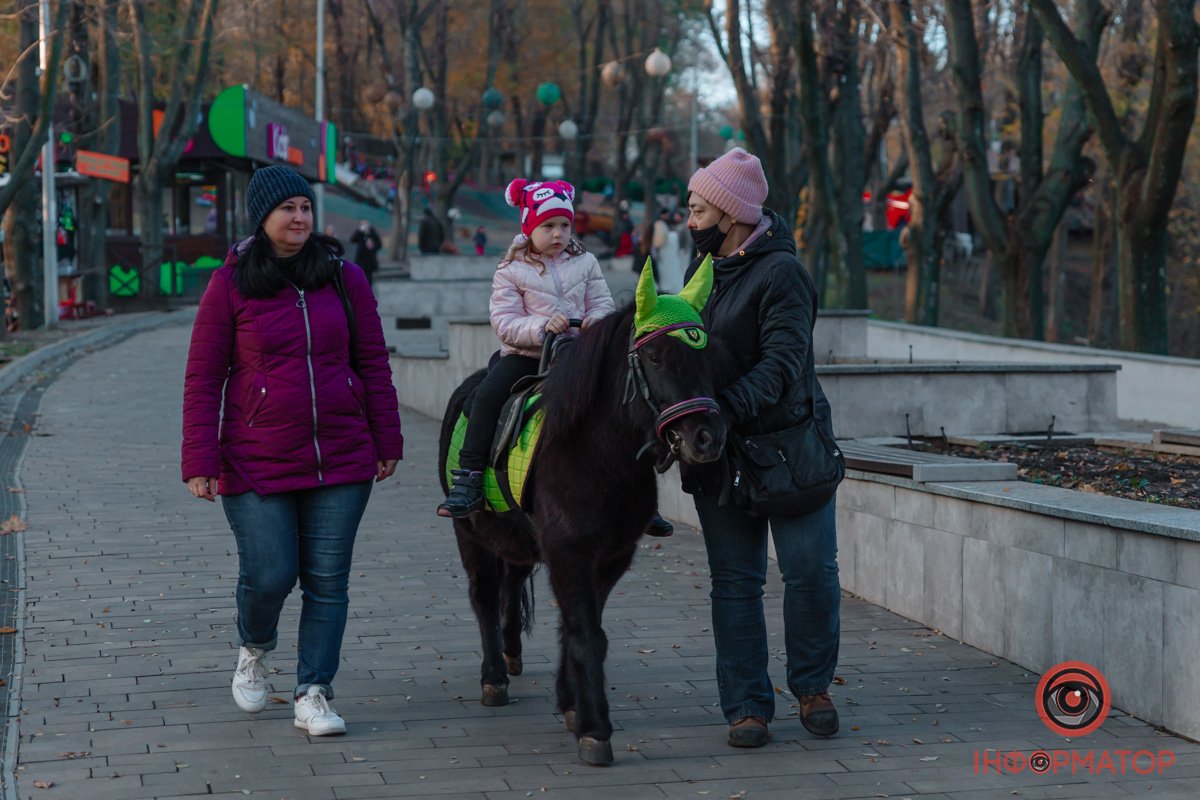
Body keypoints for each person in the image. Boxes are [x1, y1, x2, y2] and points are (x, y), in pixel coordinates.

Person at [181, 164, 404, 737]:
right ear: (263, 218)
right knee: (271, 573)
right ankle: (254, 647)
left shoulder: (344, 277)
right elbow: (204, 377)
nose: (300, 217)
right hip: (255, 458)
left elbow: (372, 363)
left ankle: (313, 691)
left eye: (305, 207)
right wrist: (199, 460)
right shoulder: (230, 283)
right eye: (288, 209)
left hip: (342, 456)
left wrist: (387, 438)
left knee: (328, 580)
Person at [681, 147, 841, 747]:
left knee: (809, 575)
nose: (690, 220)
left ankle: (812, 687)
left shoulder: (782, 275)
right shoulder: (700, 276)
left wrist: (722, 410)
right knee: (736, 582)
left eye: (698, 209)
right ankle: (747, 705)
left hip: (789, 452)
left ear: (733, 212)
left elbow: (782, 364)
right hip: (721, 457)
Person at [437, 178, 615, 518]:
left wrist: (597, 322)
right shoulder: (511, 270)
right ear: (529, 227)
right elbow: (504, 322)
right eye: (548, 226)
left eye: (564, 225)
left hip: (579, 355)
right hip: (528, 356)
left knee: (625, 391)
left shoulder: (586, 262)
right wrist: (541, 327)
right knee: (487, 396)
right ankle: (470, 479)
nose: (558, 234)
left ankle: (635, 490)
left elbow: (601, 303)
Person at [349, 219, 382, 286]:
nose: (364, 226)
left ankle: (369, 290)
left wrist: (373, 246)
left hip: (370, 259)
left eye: (366, 224)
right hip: (360, 259)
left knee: (368, 277)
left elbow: (379, 244)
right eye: (363, 224)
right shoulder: (359, 233)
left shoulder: (373, 233)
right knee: (359, 276)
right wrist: (358, 230)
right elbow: (352, 240)